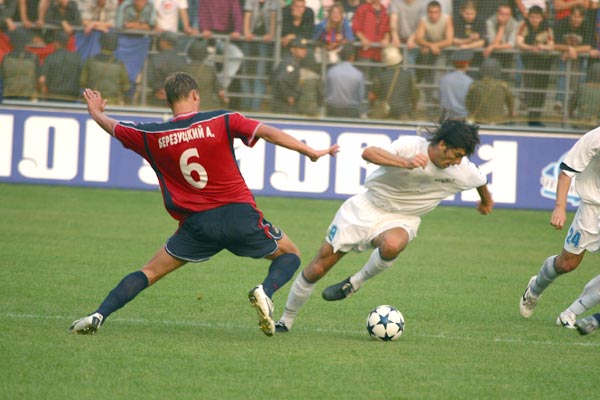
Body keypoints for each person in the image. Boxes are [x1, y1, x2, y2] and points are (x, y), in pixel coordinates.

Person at [69, 71, 340, 336]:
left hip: (197, 226)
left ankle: (98, 315)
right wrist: (309, 151)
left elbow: (116, 128)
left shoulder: (152, 135)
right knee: (290, 254)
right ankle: (265, 292)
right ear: (195, 95)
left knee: (149, 271)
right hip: (238, 216)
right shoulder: (222, 119)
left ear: (168, 100)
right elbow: (267, 132)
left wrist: (96, 113)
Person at [275, 119, 494, 333]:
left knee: (392, 244)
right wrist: (406, 163)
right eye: (456, 155)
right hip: (365, 207)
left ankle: (355, 282)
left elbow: (480, 181)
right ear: (443, 145)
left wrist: (486, 202)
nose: (457, 161)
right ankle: (286, 320)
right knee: (318, 269)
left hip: (403, 218)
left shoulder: (463, 170)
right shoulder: (411, 146)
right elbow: (369, 153)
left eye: (462, 157)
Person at [519, 125, 600, 329]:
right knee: (567, 264)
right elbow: (566, 171)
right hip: (592, 208)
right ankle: (534, 289)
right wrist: (560, 207)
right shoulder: (595, 137)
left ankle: (569, 314)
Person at [516, 5, 554, 126]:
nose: (534, 20)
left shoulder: (547, 28)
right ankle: (528, 115)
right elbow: (519, 42)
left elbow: (551, 45)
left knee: (540, 92)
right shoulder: (524, 25)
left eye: (537, 17)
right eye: (532, 17)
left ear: (542, 18)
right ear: (529, 17)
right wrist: (531, 48)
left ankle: (535, 119)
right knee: (530, 89)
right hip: (529, 62)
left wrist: (543, 47)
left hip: (543, 63)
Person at [553, 5, 593, 113]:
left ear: (583, 18)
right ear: (570, 15)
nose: (576, 19)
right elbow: (554, 44)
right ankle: (559, 101)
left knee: (579, 79)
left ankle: (575, 104)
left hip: (578, 57)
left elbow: (589, 46)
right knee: (562, 73)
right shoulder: (562, 23)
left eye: (579, 17)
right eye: (574, 16)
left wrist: (574, 50)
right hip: (564, 55)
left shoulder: (586, 25)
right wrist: (569, 49)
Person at [240, 0, 279, 111]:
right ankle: (245, 105)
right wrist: (246, 32)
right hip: (249, 40)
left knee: (260, 74)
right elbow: (247, 15)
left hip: (265, 42)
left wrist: (271, 34)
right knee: (245, 72)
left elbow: (273, 17)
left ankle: (255, 107)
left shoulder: (273, 2)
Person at [414, 0, 453, 103]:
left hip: (443, 49)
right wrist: (431, 46)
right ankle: (422, 98)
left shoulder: (447, 19)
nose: (433, 15)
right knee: (423, 68)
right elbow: (418, 38)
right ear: (427, 12)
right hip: (429, 49)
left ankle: (436, 98)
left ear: (440, 12)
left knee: (439, 67)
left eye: (436, 12)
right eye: (431, 12)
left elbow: (449, 40)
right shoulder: (423, 20)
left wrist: (435, 46)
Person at [79, 31, 130, 105]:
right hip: (112, 103)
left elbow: (82, 82)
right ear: (115, 45)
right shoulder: (119, 65)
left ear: (101, 42)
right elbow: (126, 87)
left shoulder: (90, 61)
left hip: (92, 102)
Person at [369, 45, 419, 120]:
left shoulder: (380, 76)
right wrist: (414, 107)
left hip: (385, 113)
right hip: (403, 112)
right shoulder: (409, 75)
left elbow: (373, 95)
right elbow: (415, 93)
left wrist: (371, 106)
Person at [181, 39, 228, 109]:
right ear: (205, 54)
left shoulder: (182, 69)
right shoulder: (210, 70)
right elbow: (221, 93)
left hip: (187, 107)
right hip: (206, 107)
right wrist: (225, 102)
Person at [466, 57, 515, 125]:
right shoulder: (503, 86)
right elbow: (511, 103)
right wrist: (510, 113)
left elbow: (468, 104)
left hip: (479, 121)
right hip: (498, 123)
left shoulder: (474, 85)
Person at [38, 30, 81, 102]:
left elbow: (42, 80)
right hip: (72, 97)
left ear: (56, 43)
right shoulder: (77, 58)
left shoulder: (50, 58)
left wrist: (42, 95)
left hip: (53, 96)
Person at [146, 31, 186, 106]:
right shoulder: (182, 60)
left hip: (157, 96)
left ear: (164, 42)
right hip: (176, 99)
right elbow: (184, 80)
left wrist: (161, 90)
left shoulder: (154, 58)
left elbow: (150, 79)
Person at [270, 37, 308, 114]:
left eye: (305, 49)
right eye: (301, 48)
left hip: (283, 103)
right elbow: (280, 80)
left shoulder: (293, 62)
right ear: (292, 49)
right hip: (283, 104)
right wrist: (288, 97)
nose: (304, 51)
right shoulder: (290, 64)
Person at [325, 44, 365, 118]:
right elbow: (360, 97)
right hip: (351, 111)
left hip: (333, 110)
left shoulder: (331, 71)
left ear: (340, 56)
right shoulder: (358, 74)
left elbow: (326, 91)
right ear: (352, 57)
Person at [1, 27, 40, 100]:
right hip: (27, 96)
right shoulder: (34, 58)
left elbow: (2, 76)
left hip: (8, 95)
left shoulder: (6, 57)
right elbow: (38, 78)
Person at [483, 3, 519, 79]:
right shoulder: (490, 22)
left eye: (507, 14)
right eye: (502, 14)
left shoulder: (515, 24)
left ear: (510, 15)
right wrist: (502, 26)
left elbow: (511, 44)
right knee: (492, 78)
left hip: (508, 56)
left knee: (505, 79)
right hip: (493, 55)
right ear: (497, 13)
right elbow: (493, 42)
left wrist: (493, 47)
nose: (504, 17)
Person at [439, 49, 474, 119]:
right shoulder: (470, 81)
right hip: (463, 118)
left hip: (447, 118)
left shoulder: (444, 79)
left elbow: (441, 98)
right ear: (467, 64)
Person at [569, 62, 600, 128]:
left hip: (580, 124)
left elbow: (571, 106)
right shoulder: (581, 88)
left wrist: (572, 118)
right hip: (596, 127)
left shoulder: (581, 88)